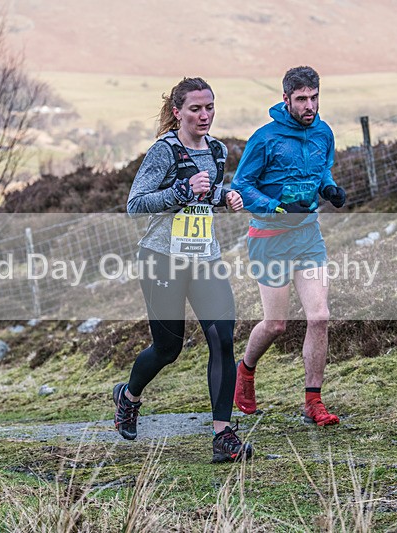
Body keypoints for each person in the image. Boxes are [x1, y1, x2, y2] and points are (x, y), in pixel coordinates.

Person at [113, 77, 253, 463]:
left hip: (204, 257)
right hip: (162, 259)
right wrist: (180, 192)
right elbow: (135, 203)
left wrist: (226, 197)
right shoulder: (164, 151)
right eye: (195, 108)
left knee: (223, 339)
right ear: (178, 112)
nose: (204, 115)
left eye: (209, 107)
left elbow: (207, 195)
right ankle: (128, 396)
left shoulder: (218, 150)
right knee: (168, 348)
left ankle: (223, 437)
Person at [231, 66, 347, 426]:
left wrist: (328, 187)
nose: (309, 105)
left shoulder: (323, 132)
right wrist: (274, 207)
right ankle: (245, 373)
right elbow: (241, 185)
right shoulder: (265, 139)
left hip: (308, 235)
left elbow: (322, 169)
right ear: (286, 99)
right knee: (276, 324)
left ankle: (313, 401)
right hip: (270, 238)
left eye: (314, 97)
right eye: (301, 99)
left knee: (320, 316)